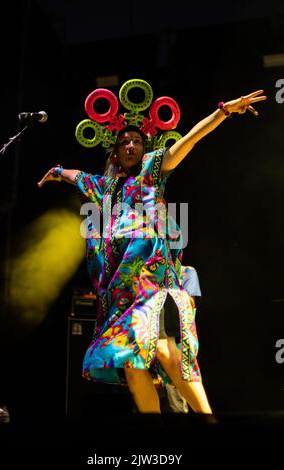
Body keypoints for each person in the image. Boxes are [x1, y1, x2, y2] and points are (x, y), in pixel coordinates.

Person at [38, 83, 266, 415]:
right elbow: (79, 176)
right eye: (125, 142)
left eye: (137, 141)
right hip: (122, 294)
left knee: (166, 353)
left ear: (145, 148)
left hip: (153, 284)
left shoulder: (152, 169)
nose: (131, 145)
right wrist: (58, 171)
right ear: (116, 152)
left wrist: (224, 111)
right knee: (132, 365)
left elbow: (189, 140)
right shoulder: (106, 186)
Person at [158, 265, 201, 413]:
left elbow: (188, 307)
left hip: (174, 345)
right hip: (148, 343)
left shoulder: (187, 272)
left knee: (175, 405)